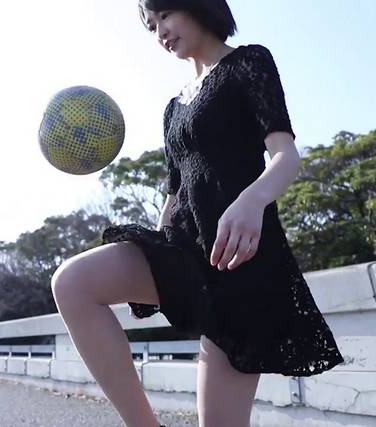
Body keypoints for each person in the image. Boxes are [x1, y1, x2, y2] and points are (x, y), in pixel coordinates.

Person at [50, 1, 345, 426]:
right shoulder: (173, 108)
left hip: (239, 265)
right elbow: (175, 193)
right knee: (72, 282)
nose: (160, 33)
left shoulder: (248, 63)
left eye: (165, 15)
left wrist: (251, 201)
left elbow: (286, 157)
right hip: (186, 252)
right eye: (151, 26)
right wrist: (154, 253)